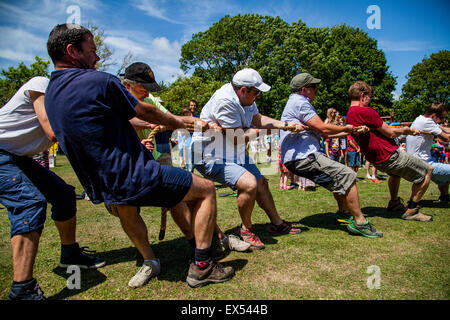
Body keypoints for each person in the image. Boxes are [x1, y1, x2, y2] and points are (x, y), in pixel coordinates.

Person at [44, 24, 235, 289]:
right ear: (71, 51)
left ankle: (156, 259)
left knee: (147, 204)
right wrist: (184, 122)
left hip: (104, 185)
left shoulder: (51, 93)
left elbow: (111, 121)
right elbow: (146, 113)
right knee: (205, 189)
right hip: (135, 175)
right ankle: (202, 264)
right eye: (92, 50)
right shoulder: (100, 81)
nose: (97, 57)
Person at [122, 62, 250, 261]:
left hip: (156, 156)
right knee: (126, 208)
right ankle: (151, 259)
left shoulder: (151, 99)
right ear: (128, 85)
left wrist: (195, 121)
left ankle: (211, 241)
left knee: (185, 196)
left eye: (149, 90)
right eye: (143, 89)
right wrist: (149, 127)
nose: (148, 94)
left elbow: (169, 117)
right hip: (130, 161)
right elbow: (125, 120)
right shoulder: (117, 96)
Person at [0, 76, 105, 300]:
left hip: (18, 157)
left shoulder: (69, 107)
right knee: (30, 203)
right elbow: (52, 130)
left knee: (64, 195)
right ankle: (22, 290)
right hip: (1, 152)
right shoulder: (41, 84)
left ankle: (70, 255)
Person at [192, 68, 303, 250]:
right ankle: (246, 229)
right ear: (243, 90)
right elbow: (236, 137)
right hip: (210, 154)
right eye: (256, 92)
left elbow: (257, 119)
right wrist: (265, 130)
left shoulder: (246, 99)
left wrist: (286, 125)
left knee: (261, 183)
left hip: (231, 150)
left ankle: (277, 223)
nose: (258, 95)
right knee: (249, 184)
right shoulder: (225, 101)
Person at [280, 73, 382, 238]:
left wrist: (350, 130)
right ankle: (360, 223)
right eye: (314, 87)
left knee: (337, 179)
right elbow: (324, 128)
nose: (316, 90)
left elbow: (325, 133)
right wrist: (349, 128)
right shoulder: (300, 103)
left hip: (299, 157)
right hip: (304, 156)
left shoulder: (297, 102)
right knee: (348, 175)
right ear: (304, 89)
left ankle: (343, 212)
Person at [346, 81, 434, 222]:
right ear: (363, 96)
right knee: (427, 171)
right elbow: (390, 133)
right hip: (389, 154)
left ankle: (394, 202)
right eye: (369, 96)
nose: (370, 99)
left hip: (376, 159)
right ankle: (412, 209)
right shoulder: (366, 111)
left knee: (394, 175)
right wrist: (406, 131)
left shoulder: (350, 114)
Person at [406, 102, 450, 202]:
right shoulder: (427, 122)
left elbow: (443, 129)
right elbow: (446, 138)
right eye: (442, 118)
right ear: (433, 116)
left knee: (444, 178)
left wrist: (443, 127)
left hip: (417, 162)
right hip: (423, 164)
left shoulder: (420, 119)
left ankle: (444, 196)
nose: (442, 121)